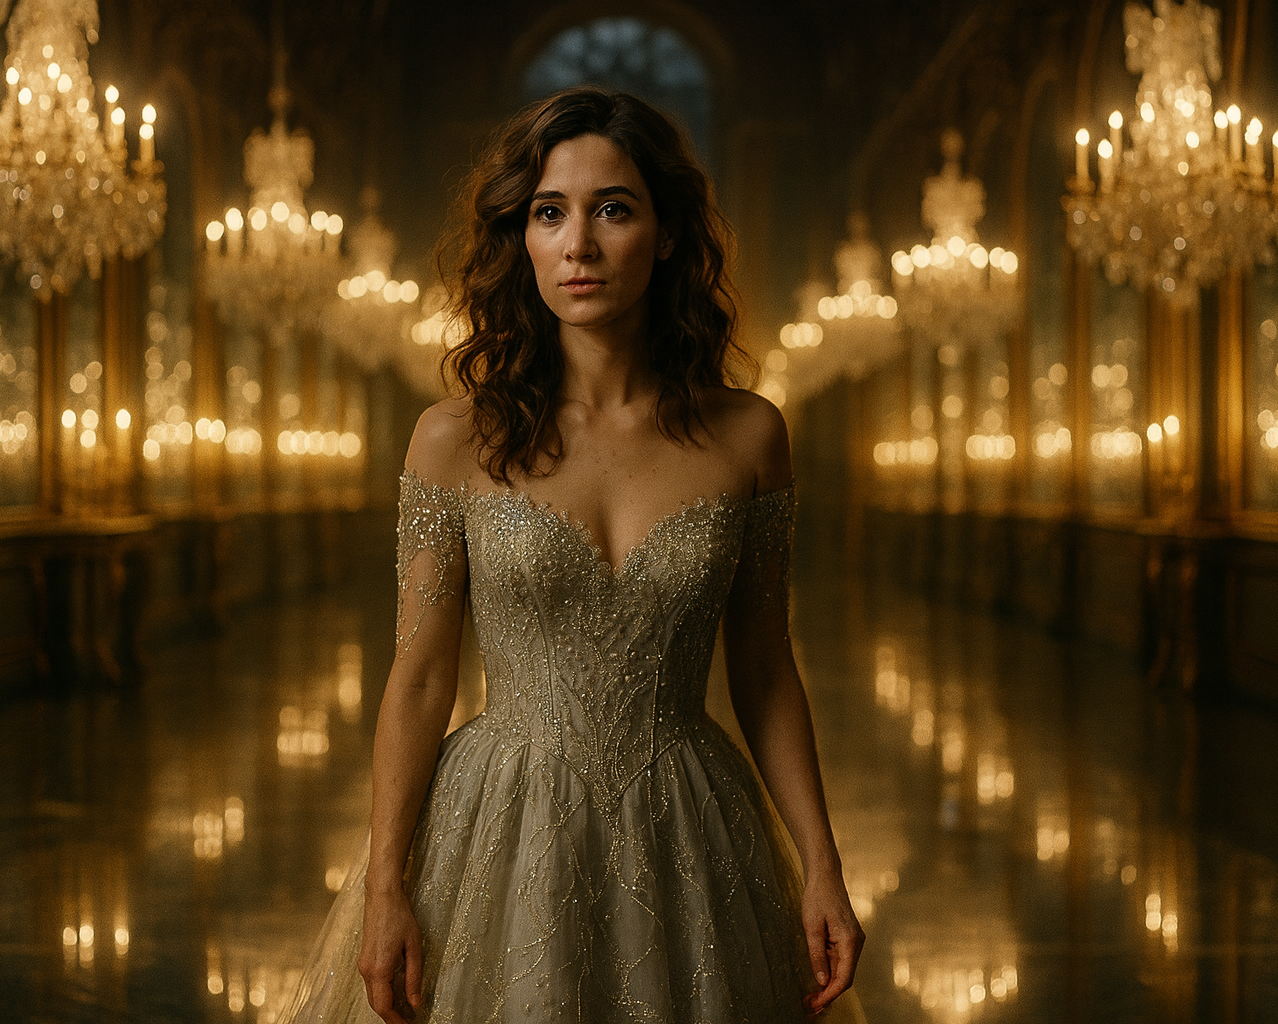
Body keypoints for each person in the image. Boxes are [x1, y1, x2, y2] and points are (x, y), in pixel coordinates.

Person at [280, 87, 863, 1024]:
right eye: (549, 213)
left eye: (614, 209)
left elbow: (764, 668)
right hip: (498, 828)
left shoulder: (750, 436)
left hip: (688, 824)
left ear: (667, 234)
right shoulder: (453, 439)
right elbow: (422, 677)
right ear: (523, 238)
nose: (578, 244)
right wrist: (386, 881)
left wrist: (824, 864)